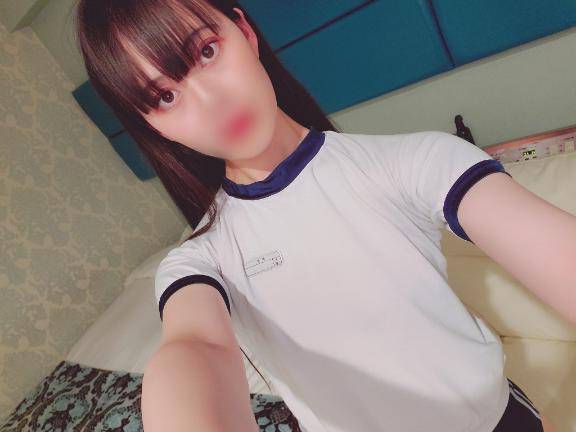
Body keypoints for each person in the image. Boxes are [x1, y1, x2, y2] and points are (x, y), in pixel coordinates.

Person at [74, 1, 553, 431]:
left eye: (206, 52)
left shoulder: (412, 161)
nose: (211, 103)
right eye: (165, 97)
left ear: (245, 31)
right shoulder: (199, 259)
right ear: (155, 127)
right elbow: (196, 348)